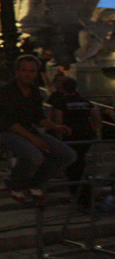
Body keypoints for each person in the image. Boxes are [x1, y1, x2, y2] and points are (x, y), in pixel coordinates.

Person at [0, 54, 77, 203]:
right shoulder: (4, 92)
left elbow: (38, 117)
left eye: (32, 71)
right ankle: (13, 183)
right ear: (16, 71)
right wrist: (33, 139)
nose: (28, 75)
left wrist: (55, 126)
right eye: (24, 70)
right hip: (6, 132)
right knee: (34, 155)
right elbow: (8, 122)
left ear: (36, 73)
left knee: (68, 154)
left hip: (29, 131)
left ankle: (34, 183)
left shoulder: (35, 92)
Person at [49, 77, 101, 207]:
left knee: (73, 168)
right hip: (86, 137)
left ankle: (78, 197)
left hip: (70, 138)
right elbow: (97, 119)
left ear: (62, 88)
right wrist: (92, 130)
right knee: (80, 165)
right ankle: (83, 196)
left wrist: (59, 137)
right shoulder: (84, 101)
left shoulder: (61, 102)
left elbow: (58, 121)